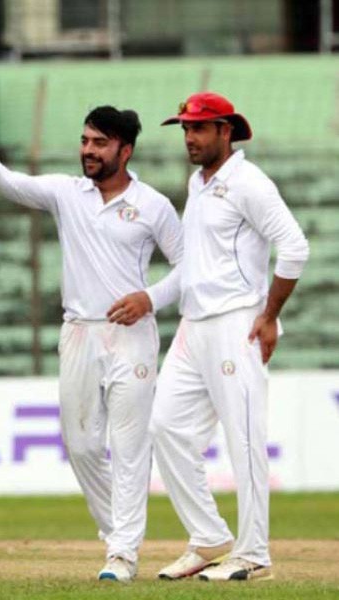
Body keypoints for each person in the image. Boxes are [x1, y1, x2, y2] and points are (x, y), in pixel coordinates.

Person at [0, 106, 183, 582]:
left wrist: (149, 298)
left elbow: (189, 267)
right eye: (85, 141)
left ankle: (122, 553)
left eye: (99, 143)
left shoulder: (153, 205)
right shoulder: (66, 193)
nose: (88, 151)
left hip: (131, 335)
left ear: (125, 149)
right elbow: (6, 180)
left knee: (130, 446)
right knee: (80, 445)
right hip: (78, 331)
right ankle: (115, 532)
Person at [151, 92, 309, 582]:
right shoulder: (197, 184)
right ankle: (209, 537)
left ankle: (255, 552)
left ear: (225, 130)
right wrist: (151, 299)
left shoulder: (249, 182)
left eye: (198, 129)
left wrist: (268, 315)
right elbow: (195, 264)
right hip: (194, 325)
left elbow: (295, 247)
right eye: (184, 129)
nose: (189, 138)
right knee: (165, 427)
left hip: (236, 322)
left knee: (243, 439)